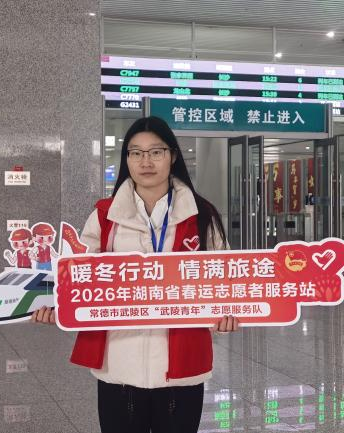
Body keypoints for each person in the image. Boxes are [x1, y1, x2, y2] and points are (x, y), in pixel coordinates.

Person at [32, 116, 239, 433]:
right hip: (119, 368)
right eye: (136, 152)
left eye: (156, 152)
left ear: (172, 156)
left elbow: (225, 280)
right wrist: (59, 309)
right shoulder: (104, 216)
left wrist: (226, 315)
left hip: (183, 368)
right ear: (126, 159)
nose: (146, 162)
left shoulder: (201, 215)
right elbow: (76, 276)